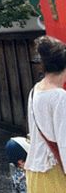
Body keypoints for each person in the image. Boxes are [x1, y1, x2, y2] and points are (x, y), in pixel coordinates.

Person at [25, 35, 66, 191]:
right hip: (54, 173)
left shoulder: (35, 90)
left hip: (36, 169)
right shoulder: (59, 96)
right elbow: (64, 141)